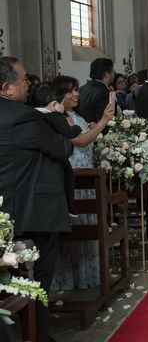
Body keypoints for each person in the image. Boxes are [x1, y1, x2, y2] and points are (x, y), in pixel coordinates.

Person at [0, 56, 74, 342]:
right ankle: (39, 335)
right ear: (7, 87)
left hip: (5, 211)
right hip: (28, 212)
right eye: (23, 79)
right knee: (38, 278)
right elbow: (62, 147)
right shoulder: (23, 116)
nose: (29, 83)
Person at [50, 75, 114, 291]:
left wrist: (91, 126)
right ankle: (72, 281)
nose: (76, 94)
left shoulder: (74, 115)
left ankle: (86, 279)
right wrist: (104, 121)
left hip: (87, 177)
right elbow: (80, 140)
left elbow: (85, 135)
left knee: (87, 233)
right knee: (77, 234)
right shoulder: (59, 117)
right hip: (75, 180)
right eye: (70, 91)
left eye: (76, 90)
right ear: (59, 95)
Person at [29, 82, 82, 217]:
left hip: (37, 162)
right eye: (62, 104)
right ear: (53, 104)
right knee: (69, 176)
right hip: (57, 157)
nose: (63, 108)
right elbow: (69, 133)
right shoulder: (55, 116)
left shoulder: (31, 115)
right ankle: (70, 206)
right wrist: (76, 127)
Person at [78, 57, 114, 123]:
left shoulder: (81, 89)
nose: (114, 75)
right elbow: (107, 123)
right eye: (112, 72)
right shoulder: (104, 93)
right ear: (107, 74)